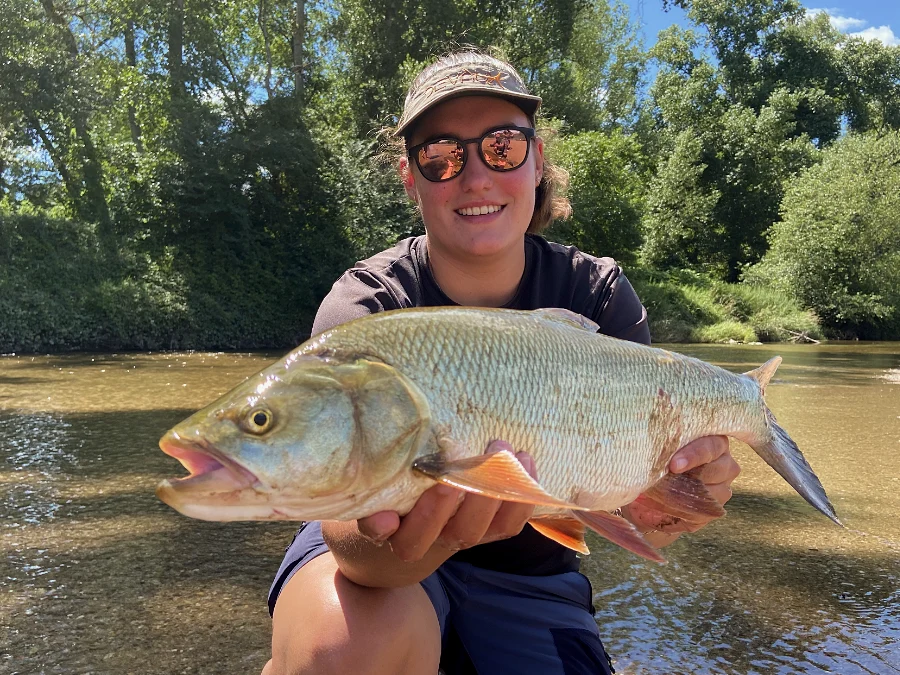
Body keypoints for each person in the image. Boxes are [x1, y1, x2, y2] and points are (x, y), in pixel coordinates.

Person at [261, 50, 740, 675]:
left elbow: (634, 504)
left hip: (534, 576)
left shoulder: (597, 295)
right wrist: (412, 542)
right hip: (378, 576)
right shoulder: (369, 308)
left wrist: (670, 502)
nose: (476, 177)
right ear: (411, 178)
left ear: (537, 162)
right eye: (441, 156)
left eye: (503, 147)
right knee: (345, 647)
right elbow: (353, 544)